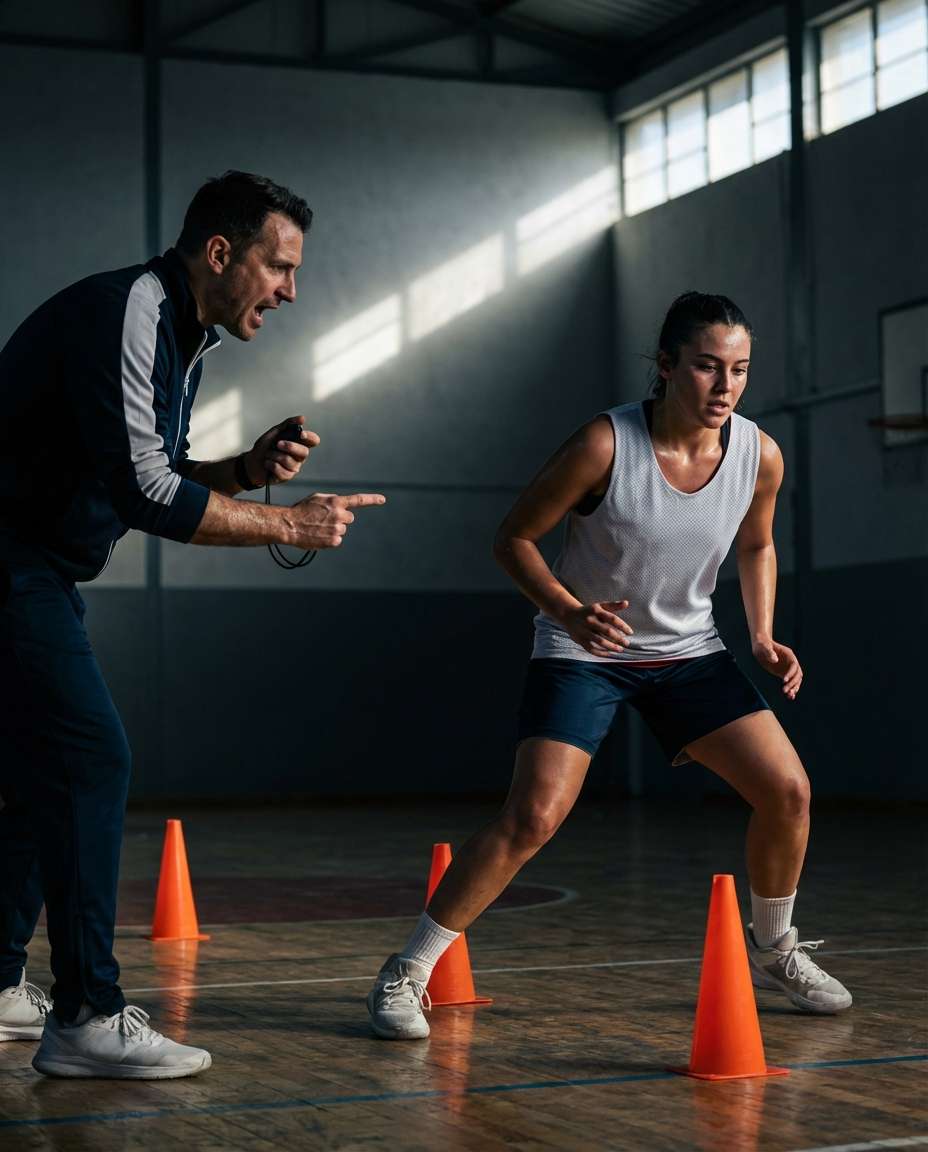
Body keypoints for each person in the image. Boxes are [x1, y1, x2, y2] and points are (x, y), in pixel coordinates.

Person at [366, 291, 851, 1041]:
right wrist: (567, 611)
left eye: (740, 371)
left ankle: (777, 949)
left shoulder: (759, 454)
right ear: (666, 366)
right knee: (533, 816)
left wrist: (761, 635)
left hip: (690, 653)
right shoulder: (605, 445)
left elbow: (756, 544)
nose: (724, 387)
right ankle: (407, 971)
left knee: (788, 791)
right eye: (706, 367)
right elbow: (514, 539)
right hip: (584, 652)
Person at [0, 170, 385, 1078]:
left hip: (36, 568)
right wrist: (290, 523)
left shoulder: (183, 334)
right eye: (279, 267)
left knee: (37, 774)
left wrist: (247, 471)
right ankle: (87, 1015)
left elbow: (148, 470)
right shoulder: (133, 308)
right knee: (91, 758)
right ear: (221, 253)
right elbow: (145, 494)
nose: (290, 290)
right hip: (12, 565)